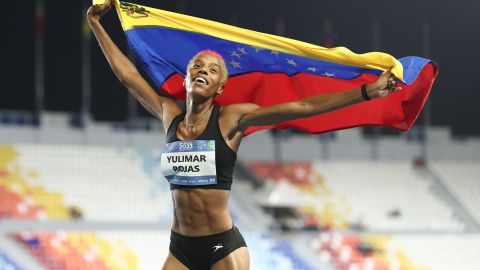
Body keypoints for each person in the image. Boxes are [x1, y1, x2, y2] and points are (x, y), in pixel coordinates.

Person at [87, 1, 401, 269]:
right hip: (179, 246)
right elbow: (129, 76)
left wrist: (364, 92)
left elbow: (301, 106)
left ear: (220, 88)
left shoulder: (230, 119)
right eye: (197, 66)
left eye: (211, 70)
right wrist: (96, 22)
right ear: (184, 78)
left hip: (222, 247)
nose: (202, 71)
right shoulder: (169, 114)